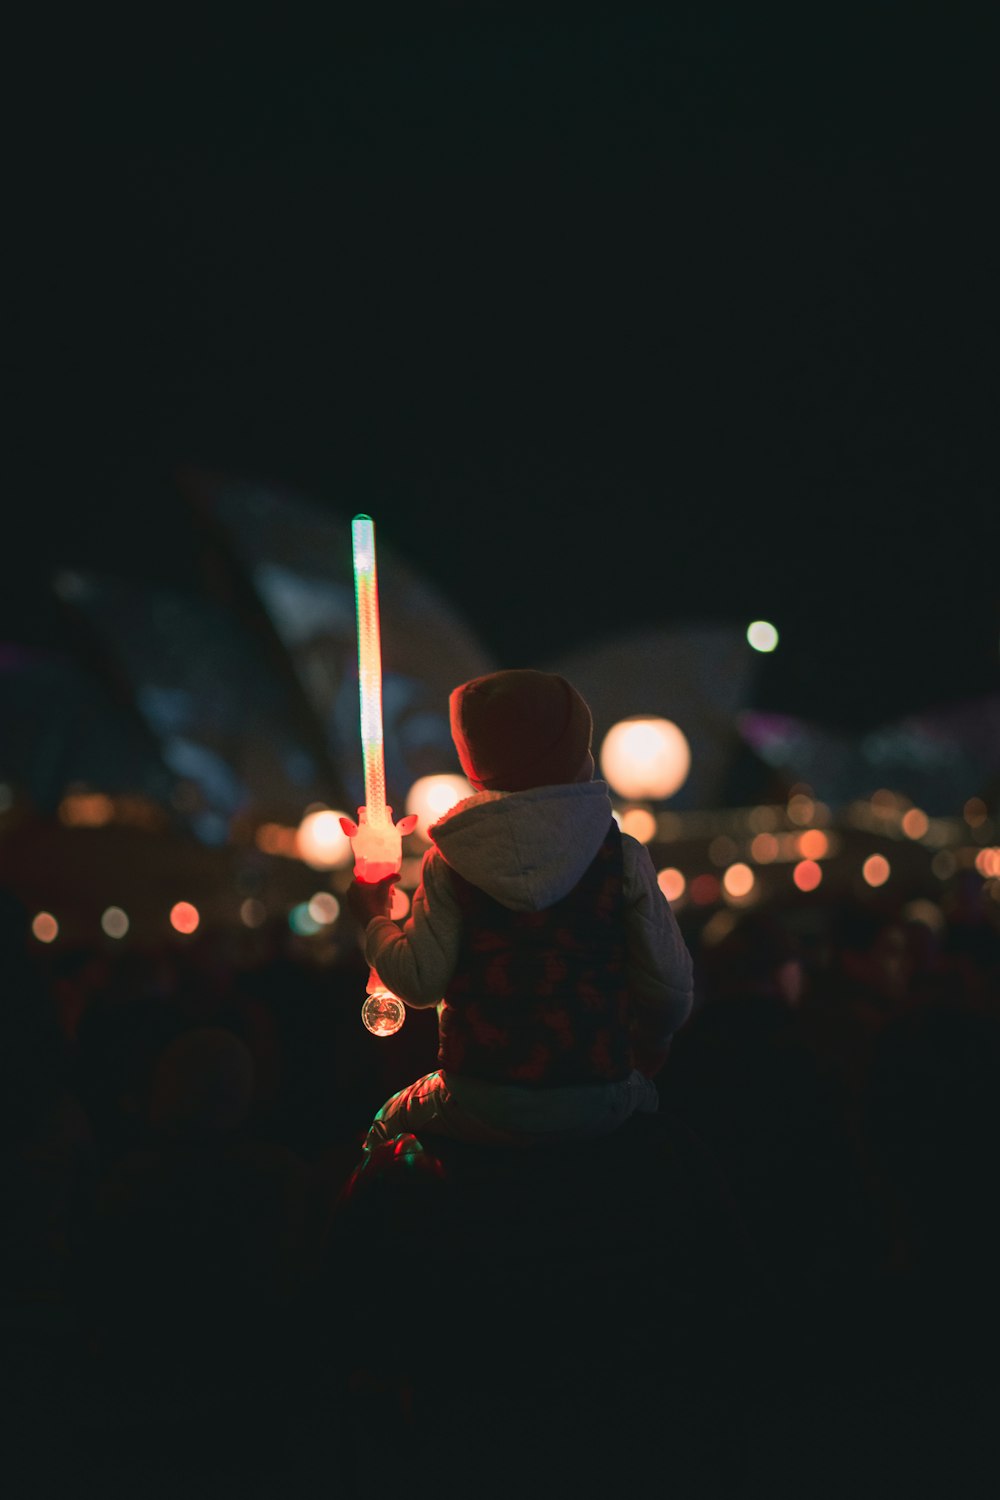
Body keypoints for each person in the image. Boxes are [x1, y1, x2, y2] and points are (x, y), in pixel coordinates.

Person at [350, 668, 694, 1150]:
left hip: (475, 1097)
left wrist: (373, 919)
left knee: (383, 1129)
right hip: (599, 1094)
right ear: (578, 750)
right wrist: (653, 1043)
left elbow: (419, 984)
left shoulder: (449, 859)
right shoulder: (621, 855)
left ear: (475, 759)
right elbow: (670, 991)